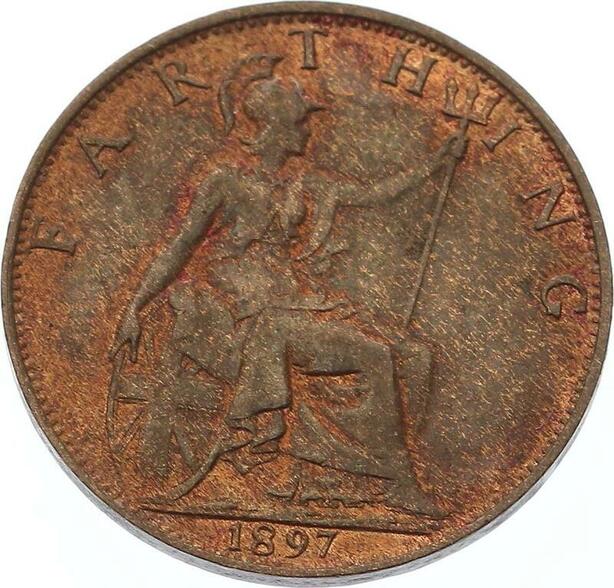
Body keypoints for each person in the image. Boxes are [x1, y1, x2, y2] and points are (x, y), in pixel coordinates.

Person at [110, 54, 464, 515]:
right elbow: (179, 248)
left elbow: (378, 194)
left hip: (296, 300)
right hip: (245, 311)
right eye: (299, 121)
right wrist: (135, 306)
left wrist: (438, 162)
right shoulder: (225, 182)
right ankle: (397, 483)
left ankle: (332, 477)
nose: (306, 130)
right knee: (374, 355)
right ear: (276, 126)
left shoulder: (307, 181)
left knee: (415, 354)